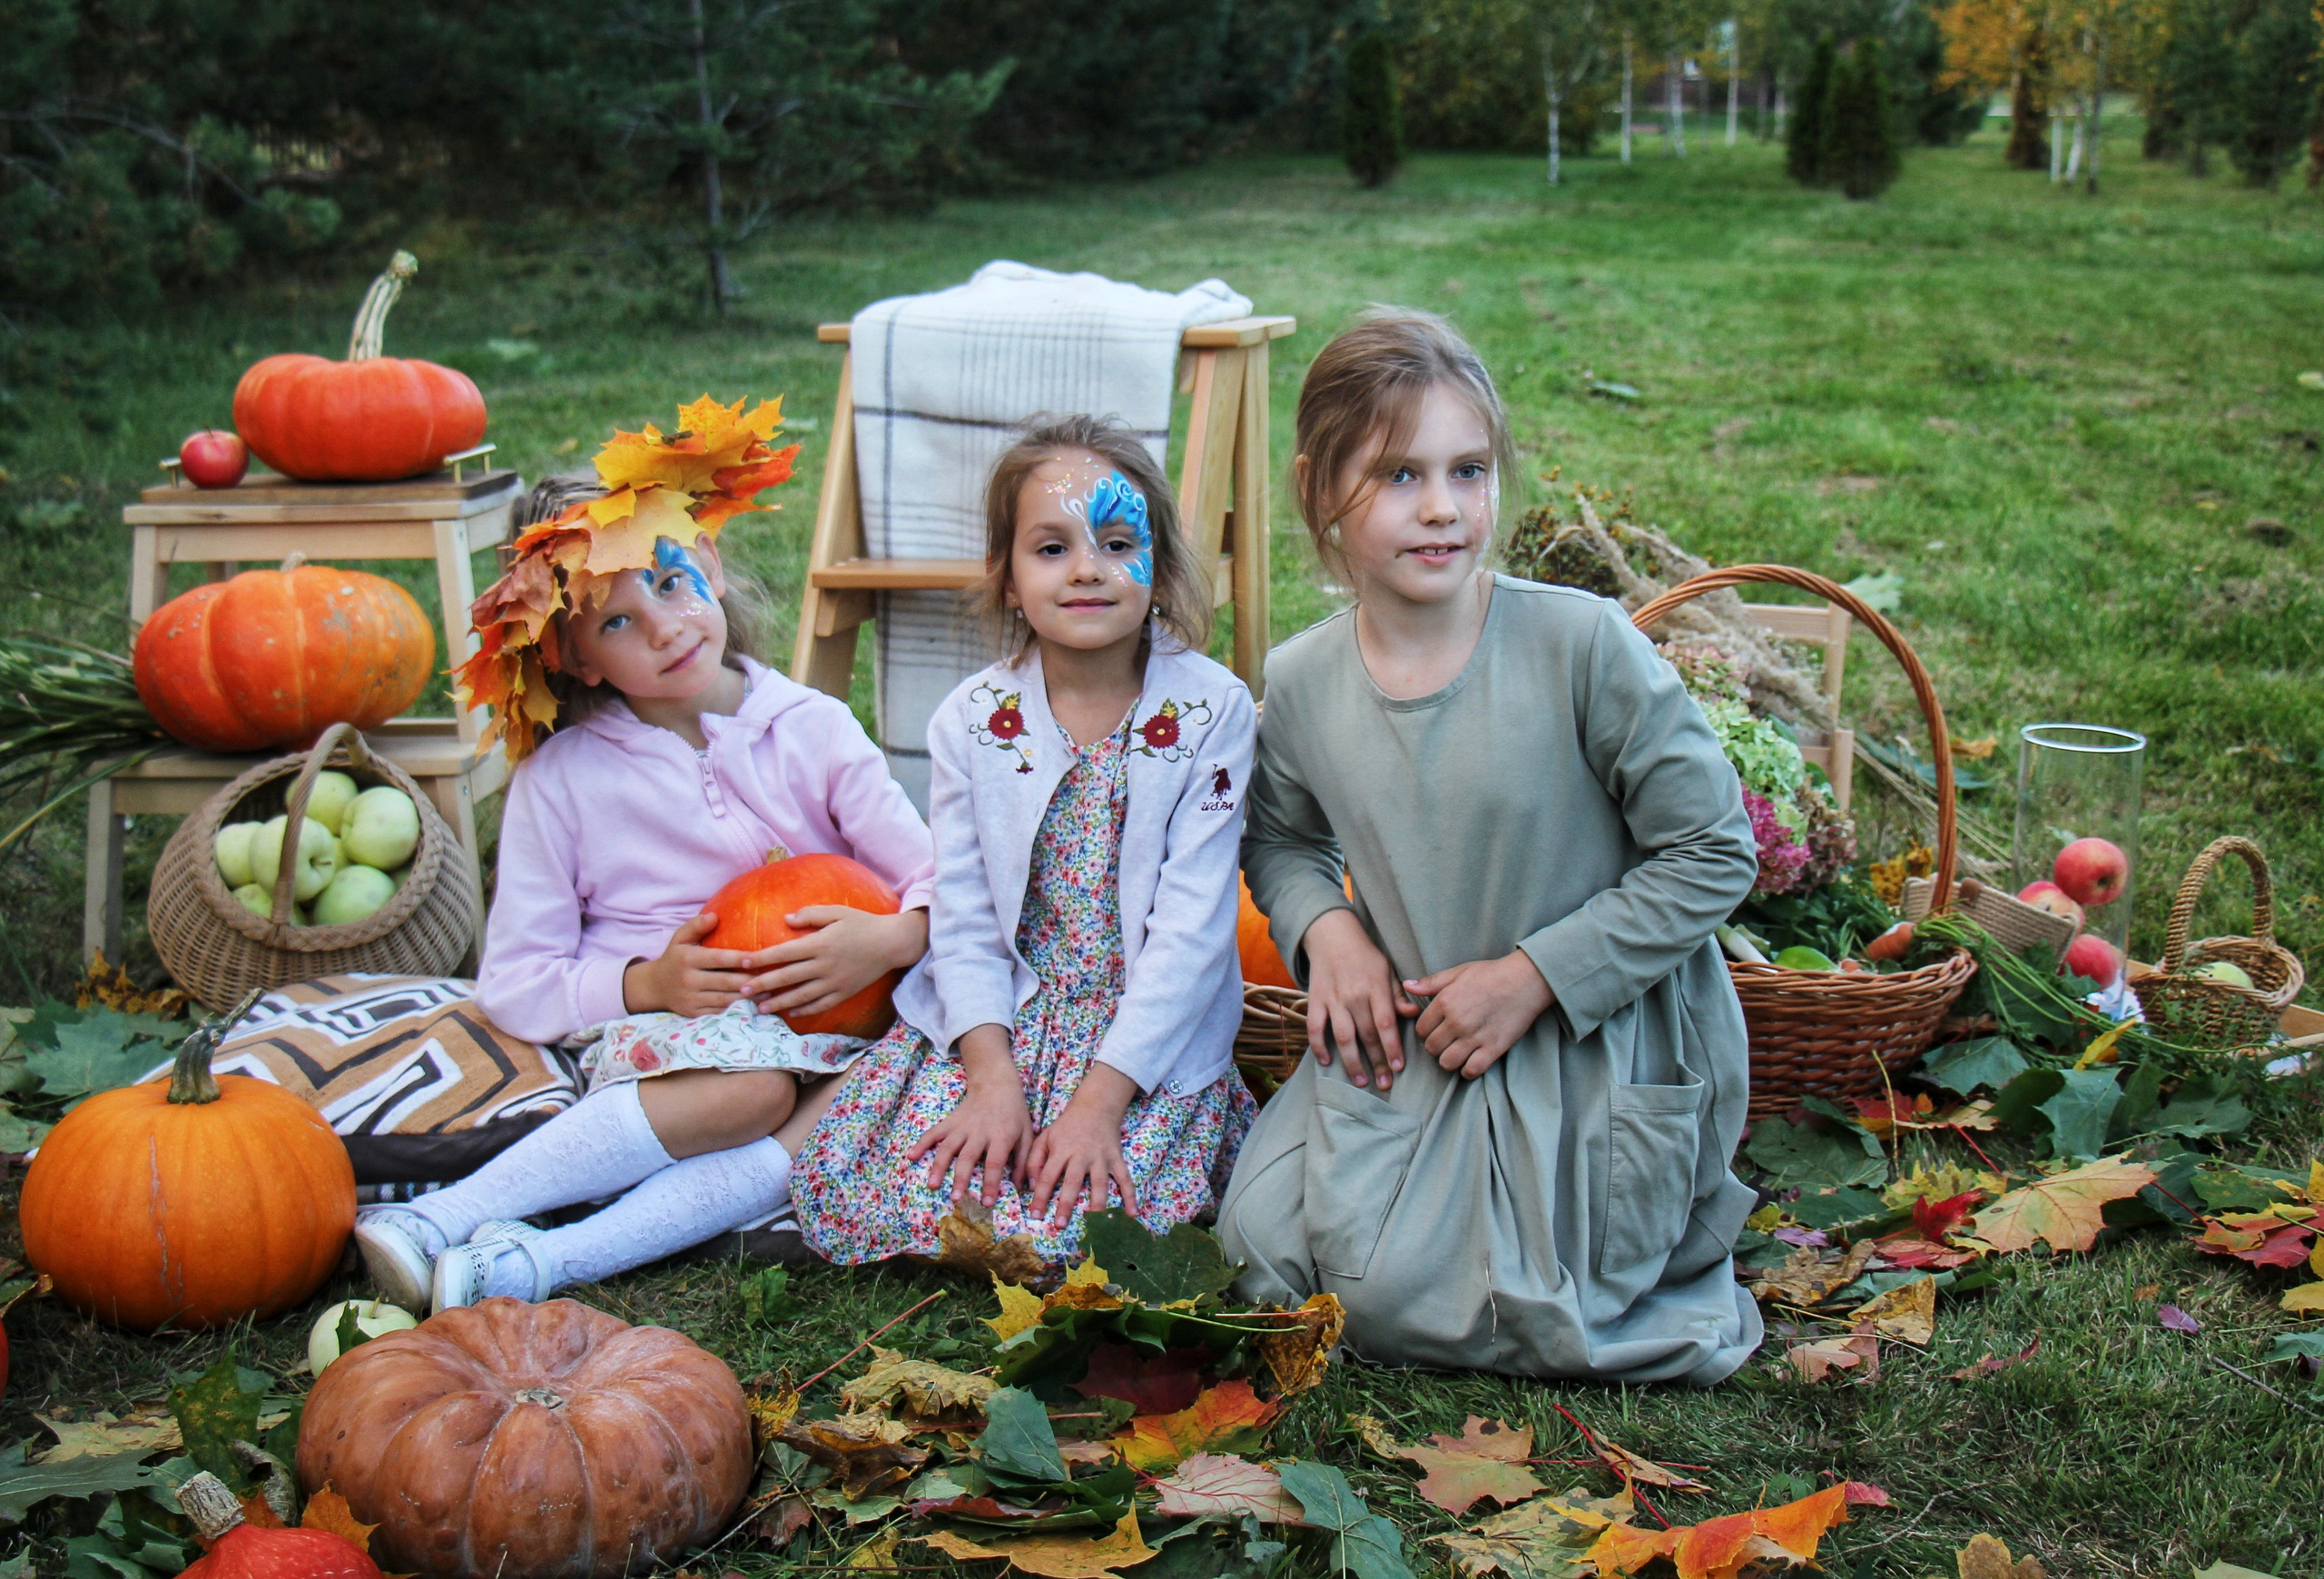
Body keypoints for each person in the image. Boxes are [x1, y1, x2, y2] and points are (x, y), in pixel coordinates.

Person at [1217, 313, 1766, 1385]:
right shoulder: (1304, 681)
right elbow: (1280, 837)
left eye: (1468, 470)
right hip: (1418, 1029)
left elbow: (1710, 849)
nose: (1440, 506)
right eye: (1397, 474)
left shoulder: (1579, 646)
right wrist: (1327, 931)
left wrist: (1534, 976)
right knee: (1262, 1243)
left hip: (1582, 1037)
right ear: (1316, 487)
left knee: (1425, 1295)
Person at [351, 397, 936, 1314]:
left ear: (704, 559)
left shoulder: (814, 729)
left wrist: (892, 938)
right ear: (573, 656)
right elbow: (516, 977)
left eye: (669, 580)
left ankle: (539, 1264)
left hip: (848, 1020)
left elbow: (932, 869)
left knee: (838, 1114)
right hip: (687, 1040)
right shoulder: (564, 781)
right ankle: (447, 1214)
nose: (664, 624)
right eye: (615, 620)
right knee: (747, 1095)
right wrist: (643, 984)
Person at [788, 414, 1257, 1264]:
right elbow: (963, 913)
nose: (1087, 568)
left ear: (1161, 566)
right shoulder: (975, 722)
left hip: (1143, 1037)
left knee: (1089, 1229)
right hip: (1006, 1019)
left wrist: (1098, 1105)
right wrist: (990, 1077)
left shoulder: (1208, 711)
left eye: (1118, 542)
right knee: (879, 1188)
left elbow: (1192, 932)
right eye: (1051, 549)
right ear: (1006, 577)